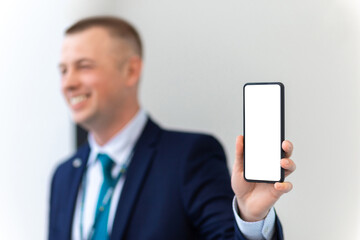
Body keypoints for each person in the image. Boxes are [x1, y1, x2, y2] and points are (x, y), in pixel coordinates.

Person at [49, 16, 295, 240]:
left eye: (84, 66)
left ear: (131, 70)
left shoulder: (189, 157)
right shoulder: (63, 176)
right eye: (63, 70)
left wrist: (250, 218)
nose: (68, 83)